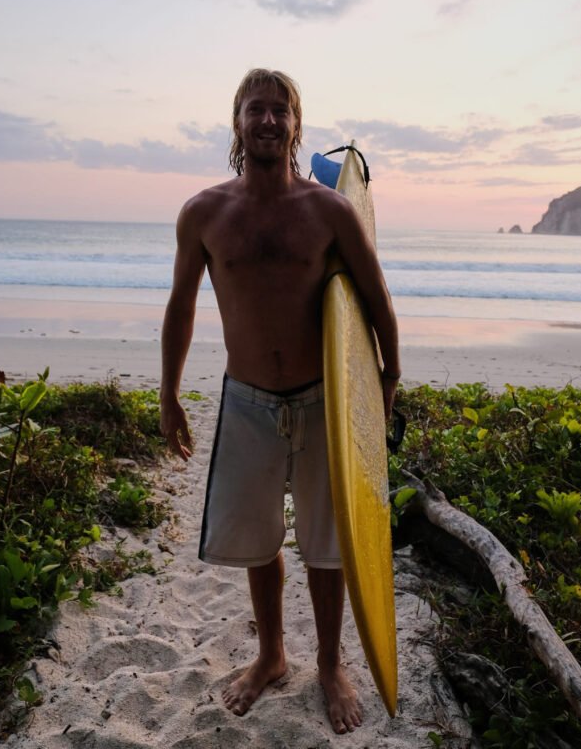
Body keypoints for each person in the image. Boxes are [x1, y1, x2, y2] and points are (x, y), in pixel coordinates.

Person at [160, 69, 400, 735]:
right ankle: (270, 655)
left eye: (280, 111)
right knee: (261, 540)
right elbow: (180, 306)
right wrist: (169, 392)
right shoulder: (204, 212)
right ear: (235, 122)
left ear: (296, 124)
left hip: (323, 398)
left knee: (327, 542)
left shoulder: (328, 211)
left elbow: (376, 300)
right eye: (254, 110)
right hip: (245, 403)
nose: (267, 121)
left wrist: (385, 380)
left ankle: (329, 663)